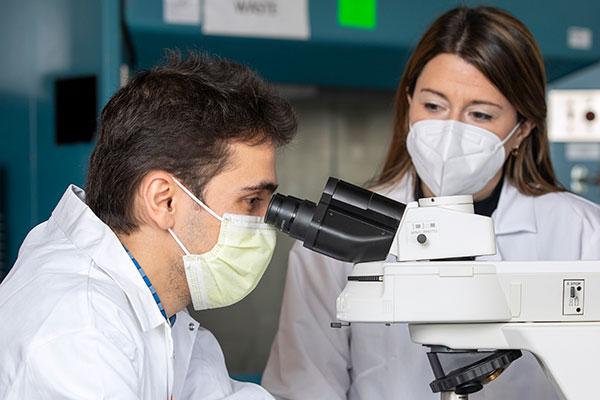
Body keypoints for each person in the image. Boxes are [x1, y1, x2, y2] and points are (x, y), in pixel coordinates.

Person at [262, 6, 600, 400]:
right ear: (408, 104)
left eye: (481, 114)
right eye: (434, 106)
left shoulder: (581, 234)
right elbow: (305, 388)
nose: (450, 132)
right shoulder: (332, 240)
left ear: (522, 128)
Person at [0, 52, 297, 399]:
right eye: (251, 201)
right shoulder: (79, 332)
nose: (263, 224)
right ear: (164, 200)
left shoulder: (159, 309)